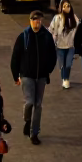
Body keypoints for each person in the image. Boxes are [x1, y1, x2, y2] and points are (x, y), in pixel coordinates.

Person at [9, 10, 57, 145]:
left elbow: (53, 55)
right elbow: (15, 57)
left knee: (38, 104)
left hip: (41, 76)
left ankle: (34, 132)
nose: (38, 22)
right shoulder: (24, 36)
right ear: (30, 21)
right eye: (35, 20)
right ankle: (27, 120)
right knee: (29, 102)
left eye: (40, 20)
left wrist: (48, 70)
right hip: (27, 76)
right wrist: (15, 76)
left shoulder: (47, 36)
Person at [49, 0, 77, 89]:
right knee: (62, 65)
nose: (67, 8)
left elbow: (78, 29)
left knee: (68, 64)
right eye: (64, 6)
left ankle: (66, 79)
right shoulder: (57, 18)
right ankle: (64, 78)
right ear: (61, 7)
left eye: (68, 6)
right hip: (60, 46)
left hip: (70, 46)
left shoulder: (74, 18)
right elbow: (51, 29)